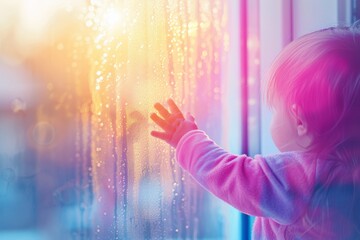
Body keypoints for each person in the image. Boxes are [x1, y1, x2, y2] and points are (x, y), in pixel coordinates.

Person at [150, 26, 360, 239]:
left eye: (276, 108)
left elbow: (235, 177)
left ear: (299, 120)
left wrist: (187, 139)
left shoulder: (303, 177)